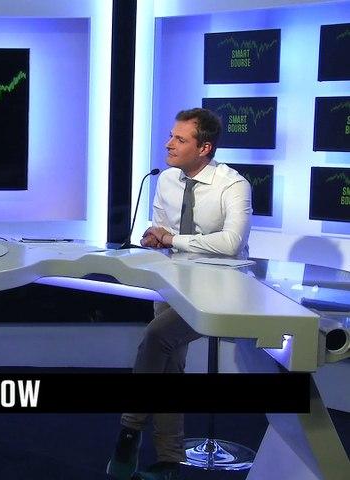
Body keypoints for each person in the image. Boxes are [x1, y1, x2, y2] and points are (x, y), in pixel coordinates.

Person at [106, 108, 252, 480]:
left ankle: (129, 432)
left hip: (220, 289)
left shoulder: (233, 185)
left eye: (179, 139)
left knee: (157, 337)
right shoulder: (167, 180)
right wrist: (156, 239)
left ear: (204, 148)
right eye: (171, 136)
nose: (169, 144)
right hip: (173, 283)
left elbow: (232, 243)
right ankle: (169, 461)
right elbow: (163, 233)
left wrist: (175, 239)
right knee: (169, 363)